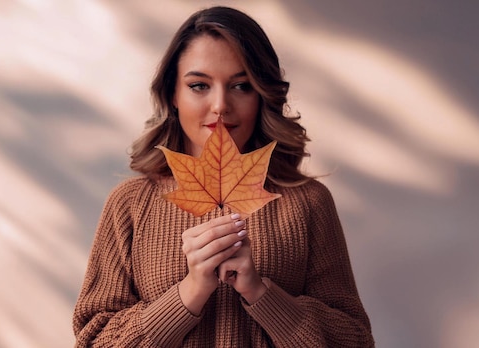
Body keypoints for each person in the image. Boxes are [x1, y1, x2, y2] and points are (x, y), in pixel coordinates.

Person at [73, 6, 374, 347]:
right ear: (173, 93)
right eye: (199, 85)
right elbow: (92, 341)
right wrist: (190, 291)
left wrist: (260, 293)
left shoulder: (308, 202)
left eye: (241, 86)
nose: (220, 104)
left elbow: (355, 342)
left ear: (262, 95)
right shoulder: (129, 204)